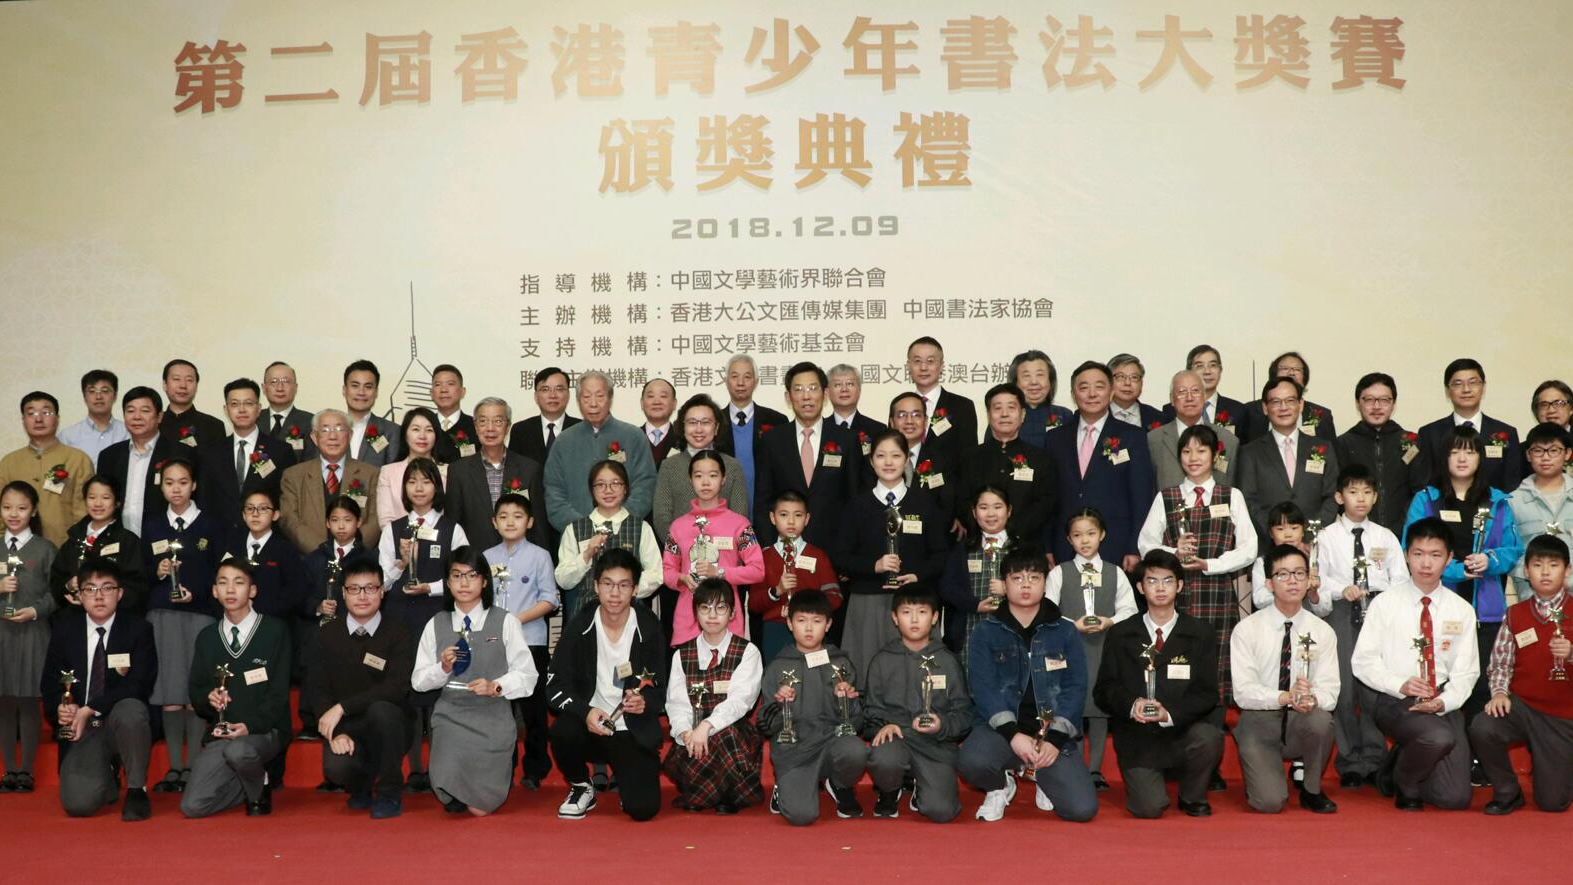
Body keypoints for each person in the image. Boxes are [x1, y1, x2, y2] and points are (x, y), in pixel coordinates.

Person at [960, 546, 1099, 823]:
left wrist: (1055, 739)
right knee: (972, 762)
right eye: (1017, 578)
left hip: (1050, 733)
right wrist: (1012, 734)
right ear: (1004, 585)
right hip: (1002, 733)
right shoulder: (985, 632)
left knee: (1082, 810)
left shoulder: (1065, 630)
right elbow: (983, 689)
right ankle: (999, 786)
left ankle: (1040, 775)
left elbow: (1075, 687)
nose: (1026, 585)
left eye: (1034, 578)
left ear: (1045, 584)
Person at [1403, 426, 1523, 745]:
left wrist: (1490, 561)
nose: (1462, 458)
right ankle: (1443, 750)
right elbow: (1411, 547)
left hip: (1486, 607)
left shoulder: (1497, 501)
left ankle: (1478, 752)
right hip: (1438, 604)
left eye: (1469, 452)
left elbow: (1513, 549)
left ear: (1480, 458)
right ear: (1444, 457)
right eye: (1454, 451)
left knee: (1481, 680)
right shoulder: (1426, 499)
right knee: (1441, 678)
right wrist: (1456, 570)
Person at [1351, 517, 1479, 811]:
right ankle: (1405, 782)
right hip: (1396, 699)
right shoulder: (1385, 603)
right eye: (1418, 554)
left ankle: (1399, 760)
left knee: (1454, 799)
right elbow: (1363, 661)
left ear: (1449, 559)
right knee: (1438, 738)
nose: (1426, 563)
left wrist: (1445, 701)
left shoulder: (1461, 610)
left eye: (1435, 555)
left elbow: (1467, 671)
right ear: (1407, 555)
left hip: (1442, 698)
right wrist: (1400, 684)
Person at [1093, 550, 1225, 818]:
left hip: (1182, 729)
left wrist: (1169, 714)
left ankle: (1192, 795)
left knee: (1209, 737)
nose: (1160, 588)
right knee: (1149, 808)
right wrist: (1133, 705)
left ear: (1180, 585)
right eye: (1152, 581)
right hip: (1137, 734)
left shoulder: (1200, 632)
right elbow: (1105, 689)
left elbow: (1207, 693)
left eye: (1168, 580)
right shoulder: (1121, 633)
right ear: (1141, 588)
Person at [1137, 423, 1257, 711]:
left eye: (1201, 451)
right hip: (1174, 594)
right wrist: (1174, 553)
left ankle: (1214, 718)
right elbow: (1145, 545)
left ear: (1215, 456)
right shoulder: (1166, 497)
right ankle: (1170, 712)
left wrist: (1210, 565)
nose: (1193, 458)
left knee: (1216, 656)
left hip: (1217, 592)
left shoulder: (1231, 496)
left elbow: (1249, 549)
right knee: (1177, 653)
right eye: (1187, 451)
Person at [411, 547, 538, 816]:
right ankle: (455, 785)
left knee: (480, 808)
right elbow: (418, 682)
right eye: (457, 575)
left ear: (484, 581)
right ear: (447, 582)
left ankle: (483, 782)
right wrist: (442, 669)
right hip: (451, 716)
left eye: (472, 575)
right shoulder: (436, 623)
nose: (464, 583)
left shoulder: (505, 621)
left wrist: (496, 686)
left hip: (493, 716)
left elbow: (528, 675)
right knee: (446, 787)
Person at [546, 548, 667, 821]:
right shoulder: (579, 626)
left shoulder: (649, 628)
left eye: (623, 585)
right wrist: (585, 711)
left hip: (630, 729)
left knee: (643, 810)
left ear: (635, 590)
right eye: (608, 584)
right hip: (590, 724)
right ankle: (581, 785)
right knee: (562, 731)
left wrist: (645, 702)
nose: (615, 593)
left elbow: (661, 688)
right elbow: (554, 686)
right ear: (596, 586)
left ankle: (626, 778)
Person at [1315, 465, 1409, 788]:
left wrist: (1383, 598)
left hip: (1378, 614)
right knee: (1344, 690)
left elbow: (1401, 581)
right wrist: (1340, 589)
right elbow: (1318, 580)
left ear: (1375, 497)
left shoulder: (1385, 536)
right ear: (1339, 497)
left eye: (1367, 492)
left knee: (1374, 689)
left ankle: (1375, 759)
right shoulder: (1326, 537)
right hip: (1341, 614)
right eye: (1353, 492)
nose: (1361, 499)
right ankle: (1351, 761)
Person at [41, 560, 157, 819]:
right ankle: (108, 774)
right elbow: (50, 683)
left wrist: (91, 708)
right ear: (79, 596)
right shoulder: (64, 631)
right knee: (78, 805)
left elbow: (139, 684)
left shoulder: (138, 629)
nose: (99, 596)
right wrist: (60, 708)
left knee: (131, 709)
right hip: (84, 729)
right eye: (90, 589)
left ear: (120, 593)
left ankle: (137, 789)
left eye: (107, 588)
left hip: (120, 722)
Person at [378, 456, 468, 791]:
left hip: (438, 616)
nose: (418, 488)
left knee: (439, 690)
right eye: (412, 481)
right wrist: (402, 563)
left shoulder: (452, 529)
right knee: (409, 691)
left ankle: (440, 770)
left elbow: (464, 578)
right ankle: (415, 769)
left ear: (437, 487)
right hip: (400, 618)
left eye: (426, 481)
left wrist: (430, 587)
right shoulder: (393, 529)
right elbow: (382, 583)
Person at [1230, 543, 1339, 813]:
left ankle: (1312, 789)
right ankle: (1264, 774)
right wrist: (1284, 697)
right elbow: (1243, 692)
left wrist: (1313, 699)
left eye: (1300, 573)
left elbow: (1330, 690)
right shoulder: (1247, 629)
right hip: (1259, 720)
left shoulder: (1322, 631)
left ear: (1309, 580)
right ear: (1269, 583)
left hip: (1301, 719)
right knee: (1269, 802)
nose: (1293, 581)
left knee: (1321, 720)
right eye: (1283, 574)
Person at [1469, 535, 1573, 814]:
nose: (1545, 572)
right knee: (1483, 726)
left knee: (1553, 803)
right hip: (1522, 707)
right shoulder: (1514, 614)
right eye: (1537, 565)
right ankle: (1508, 791)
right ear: (1526, 571)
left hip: (1563, 716)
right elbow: (1501, 663)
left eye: (1554, 565)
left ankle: (1554, 765)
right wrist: (1499, 693)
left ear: (1567, 570)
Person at [180, 560, 291, 818]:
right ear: (214, 591)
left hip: (264, 731)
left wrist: (249, 726)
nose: (230, 589)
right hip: (222, 734)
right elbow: (196, 690)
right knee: (193, 806)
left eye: (239, 582)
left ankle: (260, 784)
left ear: (252, 590)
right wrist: (208, 698)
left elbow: (279, 695)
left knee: (239, 750)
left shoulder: (275, 631)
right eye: (223, 582)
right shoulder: (207, 637)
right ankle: (247, 783)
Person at [140, 456, 224, 795]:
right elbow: (140, 571)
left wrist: (198, 593)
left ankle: (194, 767)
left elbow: (219, 571)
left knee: (194, 692)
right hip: (161, 615)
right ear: (161, 487)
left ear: (194, 485)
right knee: (169, 693)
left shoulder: (211, 524)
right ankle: (175, 766)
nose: (176, 489)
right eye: (169, 483)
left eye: (183, 482)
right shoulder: (152, 525)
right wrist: (157, 571)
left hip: (200, 613)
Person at [756, 588, 869, 824]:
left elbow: (856, 724)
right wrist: (779, 706)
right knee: (801, 816)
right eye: (801, 621)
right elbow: (765, 725)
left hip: (832, 742)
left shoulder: (841, 664)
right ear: (789, 623)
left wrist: (847, 700)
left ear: (828, 624)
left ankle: (839, 785)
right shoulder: (777, 667)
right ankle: (784, 785)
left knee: (856, 751)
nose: (809, 628)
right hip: (794, 749)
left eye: (816, 621)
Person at [310, 558, 412, 819]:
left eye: (370, 588)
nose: (363, 596)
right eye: (354, 589)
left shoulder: (399, 632)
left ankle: (389, 793)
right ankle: (361, 786)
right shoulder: (325, 635)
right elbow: (318, 688)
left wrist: (342, 707)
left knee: (382, 711)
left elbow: (397, 687)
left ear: (382, 591)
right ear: (344, 593)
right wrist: (336, 732)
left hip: (390, 725)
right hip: (348, 726)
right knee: (337, 768)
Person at [840, 430, 948, 674]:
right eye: (881, 456)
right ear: (871, 461)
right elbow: (841, 556)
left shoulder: (923, 503)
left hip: (915, 602)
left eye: (896, 455)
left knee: (919, 675)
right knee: (867, 674)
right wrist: (874, 566)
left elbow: (940, 554)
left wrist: (918, 575)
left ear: (907, 459)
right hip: (868, 603)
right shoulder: (857, 505)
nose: (888, 462)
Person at [1048, 508, 1139, 790]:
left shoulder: (1115, 572)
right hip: (1070, 648)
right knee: (1073, 705)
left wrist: (1109, 621)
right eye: (1077, 535)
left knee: (1099, 707)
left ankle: (1095, 770)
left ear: (1102, 535)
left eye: (1090, 533)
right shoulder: (1059, 572)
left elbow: (1130, 609)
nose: (1084, 540)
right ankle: (1075, 766)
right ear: (1068, 539)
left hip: (1104, 647)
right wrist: (1071, 624)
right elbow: (1048, 611)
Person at [863, 586, 971, 822]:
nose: (914, 619)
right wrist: (883, 725)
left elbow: (963, 713)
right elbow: (870, 710)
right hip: (896, 738)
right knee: (884, 758)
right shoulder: (882, 660)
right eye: (906, 612)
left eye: (922, 612)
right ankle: (889, 790)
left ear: (934, 617)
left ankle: (920, 786)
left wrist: (942, 725)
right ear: (894, 617)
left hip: (935, 745)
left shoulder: (947, 661)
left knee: (941, 812)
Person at [662, 578, 764, 814]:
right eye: (705, 608)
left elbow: (740, 702)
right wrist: (685, 732)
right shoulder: (681, 655)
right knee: (692, 743)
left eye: (720, 608)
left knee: (725, 735)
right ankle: (710, 792)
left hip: (734, 733)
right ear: (695, 612)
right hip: (693, 734)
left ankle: (722, 794)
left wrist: (706, 726)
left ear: (732, 613)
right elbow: (676, 703)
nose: (712, 615)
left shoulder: (748, 652)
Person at [481, 492, 558, 791]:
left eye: (517, 516)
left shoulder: (540, 556)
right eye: (503, 516)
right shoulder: (486, 557)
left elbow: (550, 599)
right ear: (494, 522)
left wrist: (515, 621)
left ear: (530, 521)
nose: (510, 522)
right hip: (494, 643)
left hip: (530, 642)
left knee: (533, 710)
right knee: (500, 708)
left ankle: (535, 769)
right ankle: (504, 765)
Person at [1046, 362, 1156, 570]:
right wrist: (1048, 547)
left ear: (1111, 391)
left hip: (1115, 544)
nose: (1092, 394)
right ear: (1073, 394)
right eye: (1083, 387)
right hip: (1065, 544)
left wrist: (1134, 547)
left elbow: (1141, 497)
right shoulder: (1055, 438)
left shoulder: (1132, 437)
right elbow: (1049, 498)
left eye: (1099, 386)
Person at [751, 362, 864, 560]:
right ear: (788, 397)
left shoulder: (846, 439)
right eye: (798, 389)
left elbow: (854, 500)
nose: (806, 396)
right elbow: (763, 501)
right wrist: (770, 551)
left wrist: (850, 554)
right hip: (784, 551)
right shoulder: (772, 441)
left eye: (813, 388)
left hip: (835, 552)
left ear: (825, 394)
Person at [661, 451, 764, 646]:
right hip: (688, 622)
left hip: (728, 623)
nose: (706, 482)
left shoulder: (740, 524)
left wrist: (720, 573)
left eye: (713, 475)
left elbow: (757, 570)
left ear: (723, 479)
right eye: (699, 476)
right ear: (690, 480)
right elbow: (667, 571)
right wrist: (682, 578)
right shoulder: (677, 526)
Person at [544, 371, 658, 531]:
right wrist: (583, 528)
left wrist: (618, 523)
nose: (593, 403)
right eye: (586, 397)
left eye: (600, 396)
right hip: (577, 535)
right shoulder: (564, 441)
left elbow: (645, 486)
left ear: (610, 398)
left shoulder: (634, 436)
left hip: (625, 533)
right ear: (578, 400)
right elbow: (554, 492)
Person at [300, 495, 369, 761]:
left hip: (355, 627)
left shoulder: (367, 558)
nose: (341, 526)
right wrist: (317, 607)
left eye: (347, 520)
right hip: (321, 628)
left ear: (359, 522)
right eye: (335, 520)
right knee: (312, 657)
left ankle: (351, 717)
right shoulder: (314, 558)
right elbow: (301, 597)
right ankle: (311, 720)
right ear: (327, 523)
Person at [0, 481, 58, 792]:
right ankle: (9, 770)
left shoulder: (45, 549)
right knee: (5, 701)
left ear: (33, 511)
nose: (14, 514)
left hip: (34, 632)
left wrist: (35, 611)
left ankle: (26, 771)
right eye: (7, 507)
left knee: (28, 699)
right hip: (2, 634)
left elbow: (57, 593)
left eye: (21, 508)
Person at [554, 460, 662, 619]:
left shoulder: (642, 528)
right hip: (586, 616)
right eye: (600, 485)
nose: (608, 490)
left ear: (625, 488)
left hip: (630, 614)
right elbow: (563, 580)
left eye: (615, 483)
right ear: (592, 490)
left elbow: (656, 574)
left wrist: (626, 590)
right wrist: (586, 555)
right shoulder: (574, 529)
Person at [1237, 377, 1340, 540]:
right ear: (1265, 408)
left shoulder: (1323, 448)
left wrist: (1310, 535)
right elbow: (1248, 501)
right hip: (1269, 545)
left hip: (1315, 544)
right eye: (1275, 402)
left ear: (1301, 404)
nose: (1283, 407)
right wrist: (1277, 534)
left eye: (1290, 401)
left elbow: (1332, 496)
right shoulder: (1250, 452)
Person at [445, 396, 548, 553]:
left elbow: (538, 526)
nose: (490, 428)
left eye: (498, 421)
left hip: (519, 558)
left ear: (508, 427)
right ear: (475, 426)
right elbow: (453, 525)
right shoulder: (458, 471)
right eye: (483, 421)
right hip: (474, 560)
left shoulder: (530, 469)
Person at [959, 383, 1056, 544]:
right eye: (997, 408)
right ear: (989, 415)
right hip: (978, 543)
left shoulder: (1040, 459)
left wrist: (1012, 532)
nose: (1004, 414)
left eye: (1011, 408)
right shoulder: (969, 457)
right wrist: (985, 529)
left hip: (1025, 545)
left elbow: (1045, 502)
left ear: (1022, 414)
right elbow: (962, 499)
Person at [1334, 372, 1429, 533]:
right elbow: (1338, 491)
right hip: (1359, 531)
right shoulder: (1343, 443)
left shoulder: (1411, 442)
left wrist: (1405, 523)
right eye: (1369, 400)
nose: (1377, 406)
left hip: (1404, 531)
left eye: (1384, 400)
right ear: (1358, 403)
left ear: (1393, 404)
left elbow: (1420, 489)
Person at [199, 378, 297, 535]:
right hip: (220, 538)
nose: (242, 410)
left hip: (266, 538)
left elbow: (288, 502)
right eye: (235, 404)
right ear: (226, 409)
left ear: (259, 409)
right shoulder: (210, 453)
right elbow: (204, 500)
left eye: (249, 403)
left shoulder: (281, 451)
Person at [753, 490, 841, 663]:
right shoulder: (763, 557)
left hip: (811, 628)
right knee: (778, 676)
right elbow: (754, 604)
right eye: (784, 515)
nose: (791, 521)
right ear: (772, 518)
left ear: (807, 519)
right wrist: (776, 591)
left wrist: (807, 610)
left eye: (798, 515)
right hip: (776, 628)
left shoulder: (818, 555)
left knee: (813, 675)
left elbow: (835, 596)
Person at [652, 394, 749, 547]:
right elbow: (661, 517)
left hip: (725, 553)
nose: (698, 429)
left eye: (705, 422)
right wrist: (683, 549)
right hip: (680, 553)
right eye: (692, 422)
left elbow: (740, 515)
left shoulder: (732, 466)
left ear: (716, 428)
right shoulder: (669, 466)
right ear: (683, 427)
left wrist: (717, 551)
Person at [278, 409, 381, 553]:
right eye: (325, 430)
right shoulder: (293, 475)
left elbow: (376, 520)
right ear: (314, 437)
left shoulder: (371, 474)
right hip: (309, 559)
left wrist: (350, 551)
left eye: (340, 429)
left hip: (356, 559)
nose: (333, 436)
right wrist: (322, 553)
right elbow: (289, 521)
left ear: (350, 435)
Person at [0, 391, 93, 546]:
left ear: (57, 418)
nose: (38, 419)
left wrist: (77, 548)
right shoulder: (8, 462)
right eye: (31, 413)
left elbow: (83, 512)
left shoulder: (78, 460)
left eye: (46, 412)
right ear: (23, 420)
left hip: (64, 547)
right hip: (17, 549)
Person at [1418, 359, 1524, 493]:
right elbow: (1425, 483)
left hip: (1493, 505)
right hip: (1443, 505)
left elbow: (1512, 484)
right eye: (1458, 384)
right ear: (1447, 391)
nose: (1466, 389)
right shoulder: (1429, 434)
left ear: (1483, 387)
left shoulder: (1506, 432)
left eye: (1473, 383)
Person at [50, 475, 148, 615]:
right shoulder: (74, 539)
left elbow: (138, 588)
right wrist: (69, 586)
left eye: (105, 498)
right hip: (75, 618)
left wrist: (102, 598)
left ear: (117, 503)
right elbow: (56, 583)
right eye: (92, 497)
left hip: (116, 620)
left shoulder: (128, 541)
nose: (98, 503)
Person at [939, 485, 1015, 658]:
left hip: (1013, 632)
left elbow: (1036, 587)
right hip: (970, 633)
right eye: (983, 507)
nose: (990, 514)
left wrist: (1009, 588)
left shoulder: (1021, 549)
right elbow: (947, 587)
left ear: (1009, 510)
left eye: (997, 507)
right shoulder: (963, 549)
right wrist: (974, 605)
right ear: (974, 512)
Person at [96, 387, 175, 537]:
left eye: (145, 411)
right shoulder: (109, 456)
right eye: (130, 411)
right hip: (118, 540)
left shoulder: (178, 453)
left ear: (159, 416)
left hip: (165, 539)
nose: (137, 417)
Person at [1508, 423, 1573, 596]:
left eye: (1554, 450)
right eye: (1538, 451)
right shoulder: (1513, 501)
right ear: (1528, 455)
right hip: (1530, 592)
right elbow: (1509, 551)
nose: (1545, 457)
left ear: (1567, 453)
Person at [714, 354, 788, 505]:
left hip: (767, 508)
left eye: (747, 377)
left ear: (756, 382)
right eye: (735, 376)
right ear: (726, 381)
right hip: (724, 508)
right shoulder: (714, 421)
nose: (740, 383)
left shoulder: (777, 421)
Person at [1148, 370, 1241, 491]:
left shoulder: (1228, 440)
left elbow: (1232, 487)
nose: (1189, 398)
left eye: (1195, 391)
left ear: (1205, 396)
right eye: (1182, 392)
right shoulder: (1153, 439)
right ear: (1171, 399)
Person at [889, 391, 959, 534]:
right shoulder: (878, 460)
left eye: (916, 415)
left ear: (926, 421)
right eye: (902, 415)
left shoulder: (942, 461)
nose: (909, 421)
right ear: (891, 422)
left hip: (929, 537)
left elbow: (946, 506)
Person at [375, 406, 454, 529]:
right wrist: (404, 538)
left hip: (440, 539)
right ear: (405, 434)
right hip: (397, 539)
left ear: (436, 435)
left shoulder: (451, 471)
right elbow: (385, 520)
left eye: (429, 430)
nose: (422, 436)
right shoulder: (388, 472)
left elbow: (452, 515)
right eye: (416, 429)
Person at [1236, 352, 1338, 445]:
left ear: (1304, 380)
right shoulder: (1248, 412)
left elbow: (1330, 453)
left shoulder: (1323, 415)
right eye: (1285, 368)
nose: (1291, 373)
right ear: (1273, 376)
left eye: (1297, 369)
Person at [906, 336, 979, 451]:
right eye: (917, 361)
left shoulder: (962, 406)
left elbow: (969, 455)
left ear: (941, 366)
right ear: (908, 366)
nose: (923, 367)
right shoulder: (900, 406)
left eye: (930, 361)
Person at [1162, 344, 1247, 436]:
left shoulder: (1237, 410)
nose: (1207, 371)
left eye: (1213, 365)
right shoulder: (1171, 410)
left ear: (1220, 370)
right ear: (1189, 371)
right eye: (1199, 366)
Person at [1249, 502, 1319, 611]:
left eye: (1294, 528)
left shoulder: (1313, 560)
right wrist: (1285, 590)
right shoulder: (1262, 562)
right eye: (1280, 529)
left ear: (1303, 531)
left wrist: (1313, 593)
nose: (1288, 534)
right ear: (1271, 533)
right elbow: (1259, 600)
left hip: (1306, 618)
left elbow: (1323, 607)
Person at [508, 366, 580, 465]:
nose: (553, 395)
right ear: (536, 397)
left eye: (559, 389)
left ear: (568, 394)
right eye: (545, 389)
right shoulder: (520, 430)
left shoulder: (582, 428)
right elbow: (513, 469)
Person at [58, 370, 129, 467]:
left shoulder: (128, 433)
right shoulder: (67, 436)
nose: (98, 396)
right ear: (84, 397)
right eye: (92, 391)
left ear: (115, 396)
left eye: (105, 391)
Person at [342, 360, 402, 468]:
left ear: (376, 392)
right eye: (355, 386)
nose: (361, 392)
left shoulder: (391, 432)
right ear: (344, 390)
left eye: (368, 387)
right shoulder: (329, 430)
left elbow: (394, 473)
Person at [1010, 349, 1074, 449]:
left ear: (1050, 381)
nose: (1034, 382)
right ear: (1015, 382)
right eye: (1026, 376)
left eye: (1040, 375)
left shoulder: (1064, 415)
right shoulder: (1004, 417)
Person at [158, 359, 225, 449]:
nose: (183, 385)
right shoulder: (153, 423)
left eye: (189, 380)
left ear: (196, 386)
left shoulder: (213, 426)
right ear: (165, 384)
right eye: (176, 379)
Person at [261, 361, 317, 461]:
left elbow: (313, 462)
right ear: (264, 388)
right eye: (274, 381)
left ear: (296, 387)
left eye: (286, 381)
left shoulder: (310, 422)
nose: (280, 388)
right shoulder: (254, 420)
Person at [826, 364, 886, 447]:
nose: (844, 389)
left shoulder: (878, 430)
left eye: (850, 384)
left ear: (859, 390)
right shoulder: (820, 428)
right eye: (838, 385)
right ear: (827, 392)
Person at [1107, 353, 1166, 430]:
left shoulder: (1159, 418)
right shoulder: (1096, 414)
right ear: (1108, 381)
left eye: (1134, 377)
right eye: (1121, 377)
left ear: (1141, 383)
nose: (1127, 383)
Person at [429, 364, 477, 452]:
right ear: (431, 393)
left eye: (450, 384)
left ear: (462, 392)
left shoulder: (476, 426)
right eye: (438, 384)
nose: (444, 390)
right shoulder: (425, 426)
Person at [639, 378, 679, 467]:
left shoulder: (684, 440)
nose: (657, 402)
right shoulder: (629, 438)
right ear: (642, 403)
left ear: (674, 403)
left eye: (663, 396)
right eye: (651, 396)